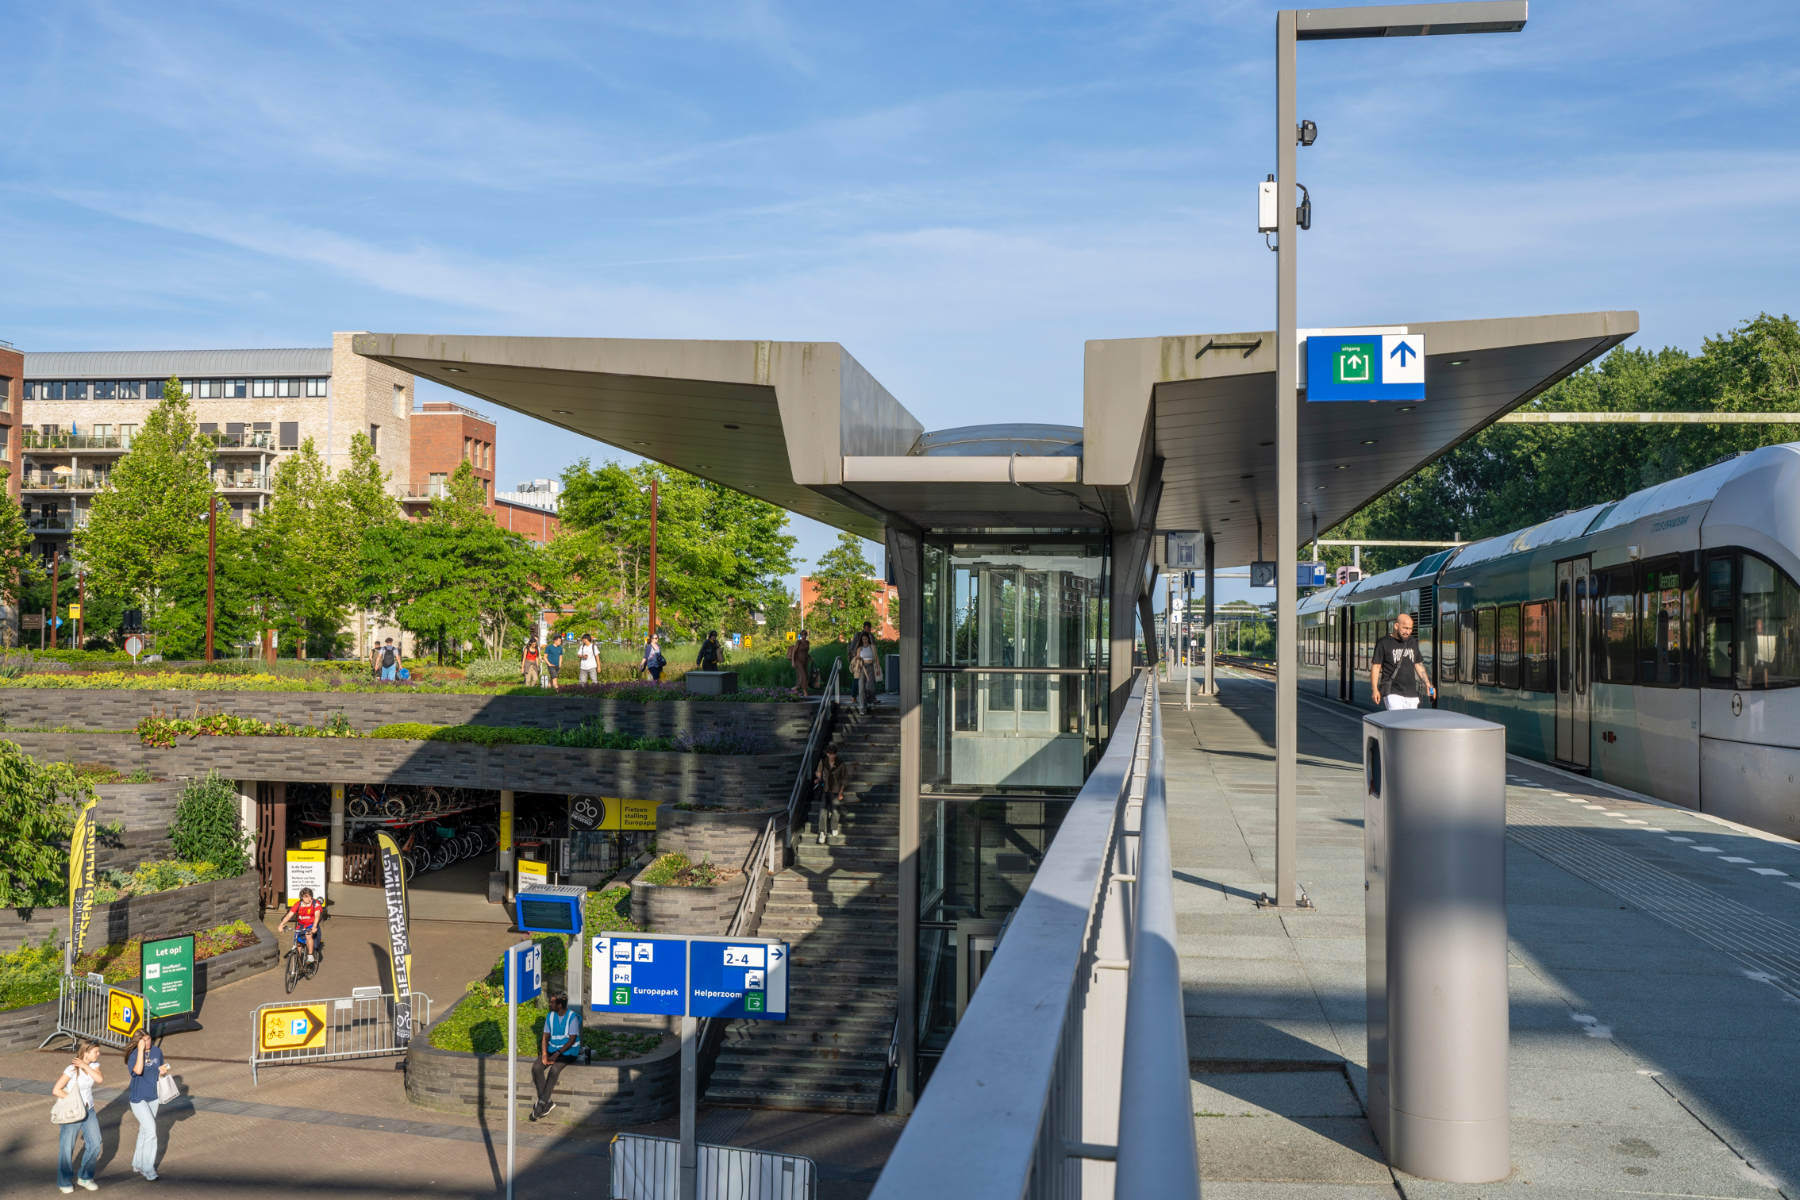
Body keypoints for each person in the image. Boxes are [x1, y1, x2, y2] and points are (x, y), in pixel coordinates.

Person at [52, 1039, 104, 1192]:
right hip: (72, 1113)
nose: (99, 1054)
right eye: (96, 1051)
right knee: (67, 1148)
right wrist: (73, 1102)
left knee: (95, 1144)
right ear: (86, 1052)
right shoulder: (71, 1069)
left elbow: (99, 1079)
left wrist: (85, 1066)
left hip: (89, 1111)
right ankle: (64, 1182)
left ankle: (85, 1177)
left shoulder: (94, 1066)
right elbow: (56, 1090)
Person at [529, 992, 583, 1121]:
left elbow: (571, 1040)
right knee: (537, 1068)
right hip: (552, 1049)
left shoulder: (572, 1018)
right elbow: (545, 1037)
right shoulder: (550, 1016)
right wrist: (544, 1054)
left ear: (559, 1005)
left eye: (552, 1002)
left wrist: (556, 1055)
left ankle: (542, 1103)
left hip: (569, 1052)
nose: (549, 1004)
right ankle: (548, 1101)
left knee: (554, 1070)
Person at [125, 1028, 169, 1181]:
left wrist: (162, 1072)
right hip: (138, 1098)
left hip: (154, 1096)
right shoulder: (134, 1055)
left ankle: (138, 1163)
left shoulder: (157, 1051)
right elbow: (137, 1071)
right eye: (145, 1040)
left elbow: (159, 1070)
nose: (148, 1042)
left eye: (149, 1039)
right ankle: (148, 1169)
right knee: (151, 1131)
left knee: (144, 1131)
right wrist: (141, 1051)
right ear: (138, 1042)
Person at [1371, 612, 1436, 710]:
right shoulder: (1383, 643)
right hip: (1393, 692)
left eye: (1410, 629)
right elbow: (1376, 667)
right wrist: (1375, 689)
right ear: (1396, 626)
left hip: (1411, 693)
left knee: (1410, 724)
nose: (1408, 632)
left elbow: (1418, 664)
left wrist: (1428, 685)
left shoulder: (1412, 641)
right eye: (1405, 628)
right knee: (1397, 722)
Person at [277, 885, 325, 963]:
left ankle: (310, 955)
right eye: (306, 897)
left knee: (308, 935)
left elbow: (317, 915)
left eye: (309, 896)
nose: (308, 898)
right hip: (301, 925)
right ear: (302, 897)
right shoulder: (298, 904)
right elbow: (289, 915)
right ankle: (298, 964)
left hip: (311, 924)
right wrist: (281, 924)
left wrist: (314, 926)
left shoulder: (315, 903)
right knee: (298, 944)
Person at [813, 742, 849, 845]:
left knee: (835, 810)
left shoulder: (841, 763)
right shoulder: (823, 761)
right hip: (825, 789)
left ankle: (834, 827)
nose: (833, 756)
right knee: (823, 811)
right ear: (827, 753)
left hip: (836, 790)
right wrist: (819, 778)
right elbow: (819, 771)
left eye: (834, 753)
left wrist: (841, 792)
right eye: (831, 753)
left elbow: (845, 778)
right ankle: (822, 832)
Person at [851, 621, 880, 714]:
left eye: (869, 630)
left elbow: (876, 657)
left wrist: (878, 668)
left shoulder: (872, 643)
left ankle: (870, 700)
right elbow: (854, 651)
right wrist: (856, 657)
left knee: (869, 687)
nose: (864, 640)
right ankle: (862, 708)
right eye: (866, 629)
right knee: (861, 688)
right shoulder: (858, 640)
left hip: (870, 667)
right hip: (861, 667)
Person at [788, 629, 812, 696]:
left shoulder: (807, 642)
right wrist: (793, 662)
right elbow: (794, 652)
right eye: (802, 634)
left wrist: (810, 657)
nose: (804, 635)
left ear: (807, 635)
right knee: (803, 675)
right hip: (798, 660)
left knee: (804, 675)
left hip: (805, 660)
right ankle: (805, 692)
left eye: (805, 634)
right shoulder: (798, 642)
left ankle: (795, 688)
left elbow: (806, 652)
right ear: (800, 635)